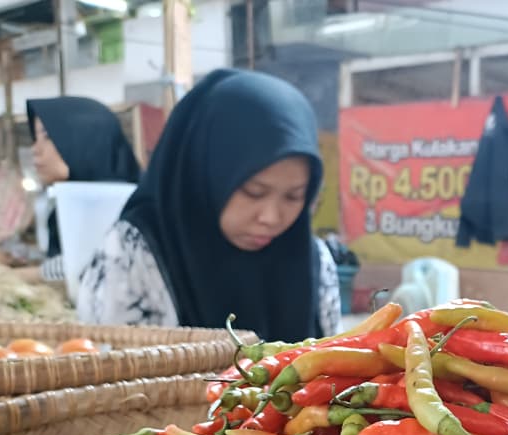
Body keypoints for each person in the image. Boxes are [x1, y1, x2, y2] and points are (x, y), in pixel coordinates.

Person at [77, 68, 340, 339]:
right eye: (254, 192)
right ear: (206, 172)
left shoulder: (313, 261)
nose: (271, 217)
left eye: (294, 196)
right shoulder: (133, 256)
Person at [26, 97, 141, 283]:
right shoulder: (64, 211)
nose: (35, 149)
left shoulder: (127, 207)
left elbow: (87, 265)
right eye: (35, 138)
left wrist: (11, 275)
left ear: (84, 138)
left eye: (48, 136)